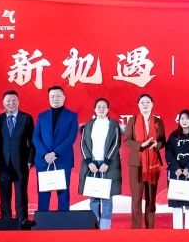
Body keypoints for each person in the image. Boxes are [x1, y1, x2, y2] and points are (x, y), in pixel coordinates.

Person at [33, 85, 79, 213]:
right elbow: (36, 137)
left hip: (62, 160)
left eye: (58, 96)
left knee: (63, 193)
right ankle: (42, 221)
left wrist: (56, 153)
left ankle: (63, 220)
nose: (55, 98)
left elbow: (71, 137)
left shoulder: (72, 116)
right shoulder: (42, 116)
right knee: (43, 193)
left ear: (64, 97)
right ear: (49, 98)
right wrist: (45, 154)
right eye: (52, 96)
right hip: (44, 160)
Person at [123, 93, 166, 229]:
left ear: (152, 104)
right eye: (142, 102)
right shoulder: (133, 120)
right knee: (136, 198)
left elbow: (163, 140)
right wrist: (141, 145)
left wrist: (157, 145)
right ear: (138, 105)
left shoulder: (158, 121)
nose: (145, 104)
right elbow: (127, 140)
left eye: (147, 102)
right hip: (136, 164)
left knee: (151, 198)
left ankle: (150, 227)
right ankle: (136, 228)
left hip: (153, 163)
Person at [0, 90, 35, 224]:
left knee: (21, 194)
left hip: (21, 163)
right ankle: (6, 222)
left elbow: (32, 142)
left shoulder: (26, 118)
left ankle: (22, 220)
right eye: (8, 101)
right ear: (3, 103)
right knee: (4, 195)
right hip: (2, 164)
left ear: (18, 102)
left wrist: (30, 160)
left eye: (14, 100)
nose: (11, 103)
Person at [79, 98, 121, 229]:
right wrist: (89, 162)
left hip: (108, 165)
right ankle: (94, 224)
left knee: (107, 197)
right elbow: (83, 144)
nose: (101, 109)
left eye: (104, 107)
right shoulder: (88, 125)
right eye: (99, 106)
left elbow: (116, 144)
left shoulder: (113, 125)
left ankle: (105, 227)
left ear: (108, 109)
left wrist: (107, 162)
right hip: (92, 164)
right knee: (94, 197)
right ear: (94, 109)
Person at [165, 110, 189, 230]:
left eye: (186, 118)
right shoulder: (174, 135)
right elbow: (169, 152)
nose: (184, 121)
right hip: (176, 173)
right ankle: (177, 232)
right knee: (177, 205)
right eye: (182, 118)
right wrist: (175, 167)